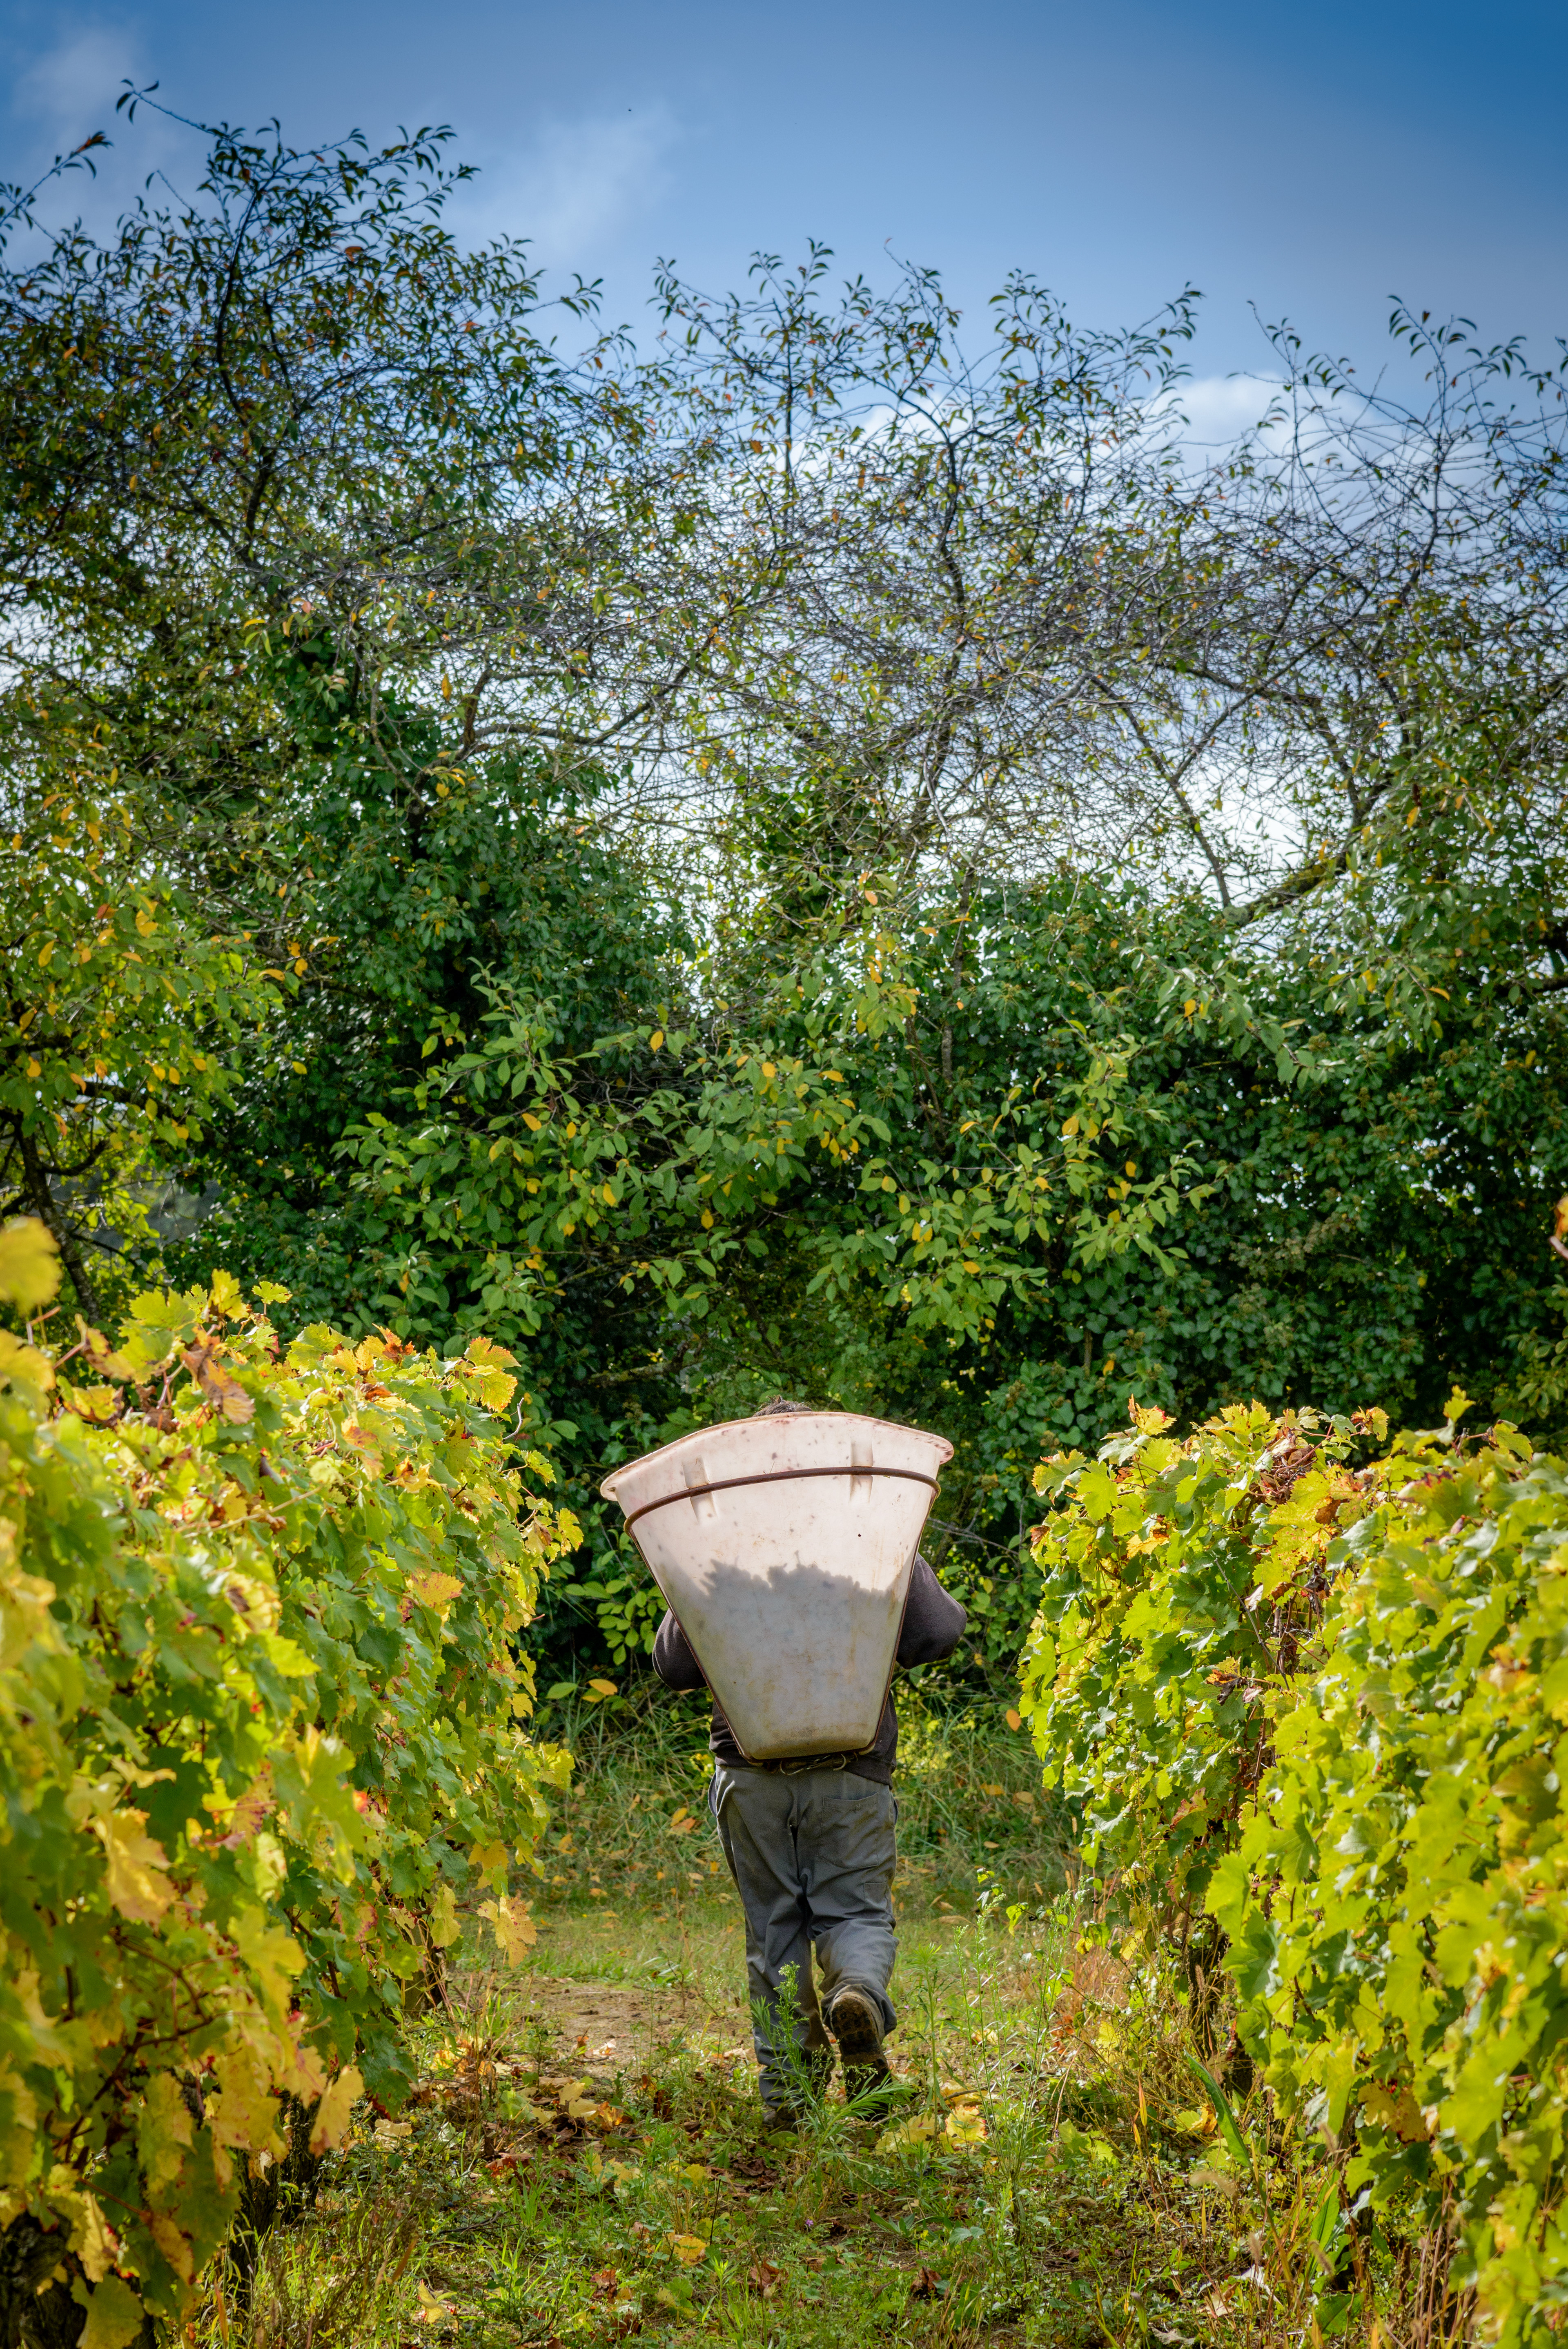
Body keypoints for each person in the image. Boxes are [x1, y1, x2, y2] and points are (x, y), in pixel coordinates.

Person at [651, 1398, 968, 2129]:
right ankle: (855, 1988)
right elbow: (940, 1631)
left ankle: (790, 2105)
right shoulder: (870, 1530)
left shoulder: (717, 1544)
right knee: (854, 1910)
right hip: (853, 1772)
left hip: (752, 1778)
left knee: (776, 1933)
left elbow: (671, 1665)